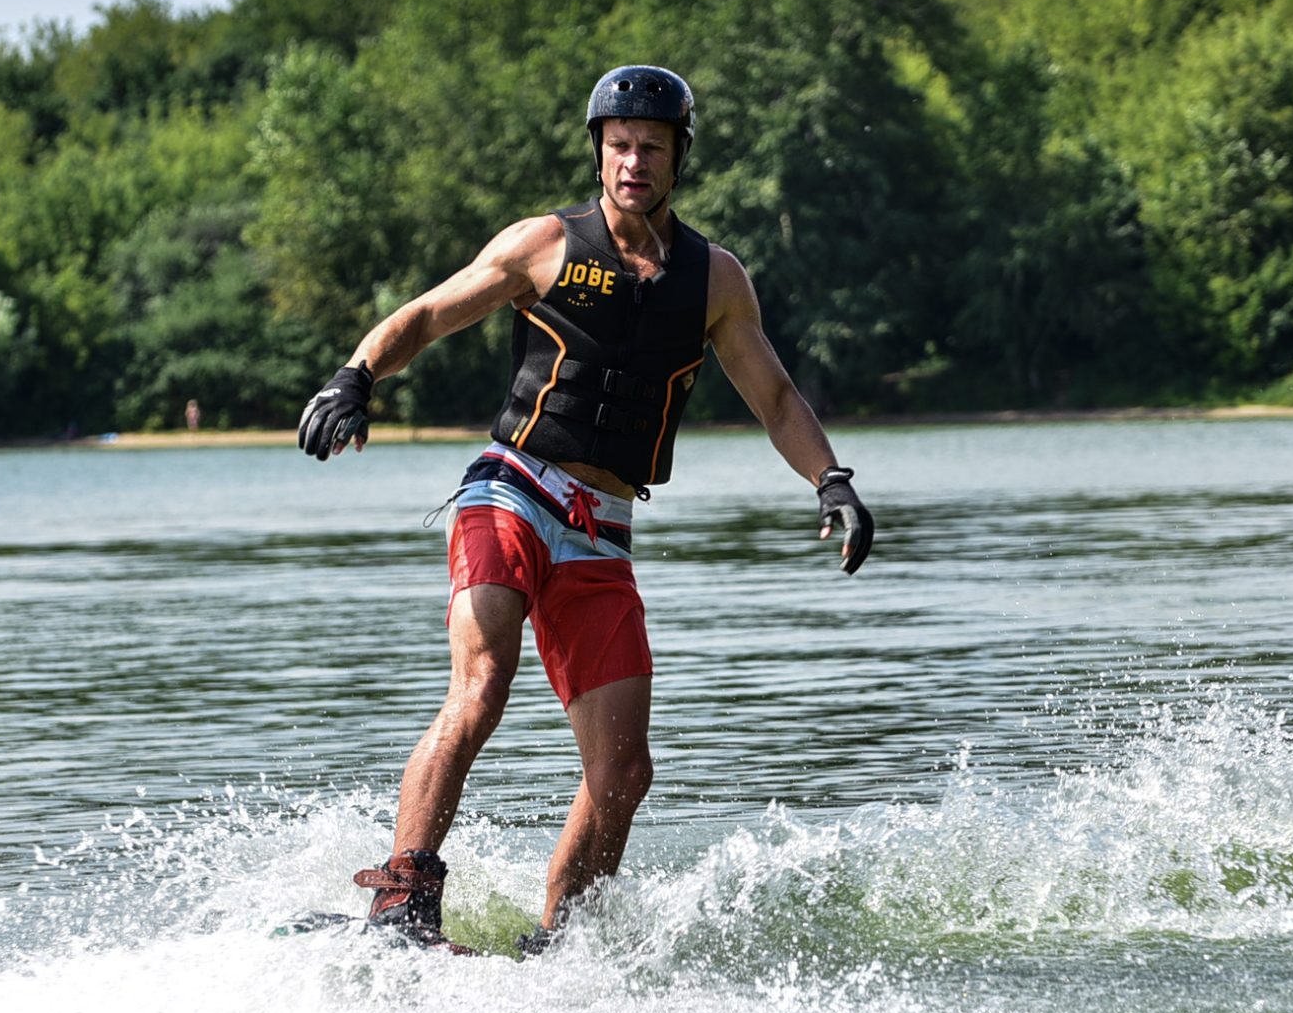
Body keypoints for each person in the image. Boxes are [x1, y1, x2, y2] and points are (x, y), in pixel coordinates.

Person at [296, 65, 874, 954]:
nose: (633, 162)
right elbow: (427, 313)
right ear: (599, 154)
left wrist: (831, 480)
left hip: (603, 528)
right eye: (619, 147)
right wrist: (357, 375)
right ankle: (402, 898)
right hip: (511, 490)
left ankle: (556, 943)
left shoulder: (714, 278)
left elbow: (777, 398)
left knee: (624, 770)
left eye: (651, 147)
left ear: (679, 156)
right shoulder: (546, 245)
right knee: (482, 687)